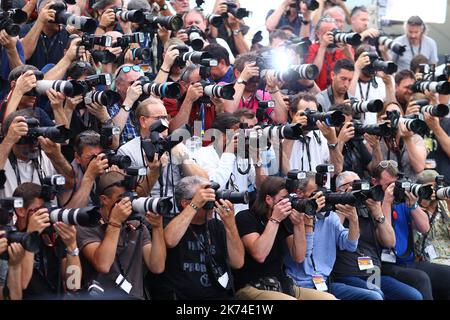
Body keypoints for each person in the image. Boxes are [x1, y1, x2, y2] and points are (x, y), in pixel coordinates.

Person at [233, 176, 336, 300]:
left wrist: (298, 225)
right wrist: (275, 219)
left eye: (290, 199)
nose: (288, 203)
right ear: (269, 199)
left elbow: (299, 257)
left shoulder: (285, 219)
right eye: (283, 200)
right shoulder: (245, 217)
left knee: (329, 298)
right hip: (250, 286)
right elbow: (259, 254)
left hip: (280, 284)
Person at [149, 176, 244, 299]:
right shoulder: (169, 223)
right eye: (204, 198)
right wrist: (195, 204)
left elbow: (238, 262)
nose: (210, 202)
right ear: (185, 203)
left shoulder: (218, 226)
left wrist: (230, 225)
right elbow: (170, 241)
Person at [331, 171, 423, 300]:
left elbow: (390, 242)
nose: (358, 188)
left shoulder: (368, 209)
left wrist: (378, 212)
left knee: (414, 296)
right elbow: (331, 239)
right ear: (338, 190)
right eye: (353, 185)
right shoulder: (334, 211)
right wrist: (344, 204)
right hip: (347, 274)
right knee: (376, 295)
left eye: (360, 184)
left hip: (373, 274)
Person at [76, 171, 166, 300]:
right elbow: (103, 265)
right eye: (121, 198)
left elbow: (157, 267)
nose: (127, 203)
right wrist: (115, 223)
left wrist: (158, 227)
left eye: (129, 198)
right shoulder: (88, 226)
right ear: (104, 199)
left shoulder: (137, 227)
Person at [373, 160, 450, 300]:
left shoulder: (402, 201)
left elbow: (425, 227)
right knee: (421, 278)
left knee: (447, 275)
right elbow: (388, 242)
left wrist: (413, 205)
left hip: (408, 263)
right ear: (375, 182)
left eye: (396, 184)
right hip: (385, 265)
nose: (394, 189)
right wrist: (387, 202)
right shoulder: (373, 203)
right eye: (389, 185)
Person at [284, 171, 362, 299]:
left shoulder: (329, 216)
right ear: (300, 193)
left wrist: (354, 220)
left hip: (325, 283)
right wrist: (309, 218)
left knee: (373, 295)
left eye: (323, 192)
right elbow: (303, 256)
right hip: (299, 285)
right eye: (316, 194)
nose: (322, 198)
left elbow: (350, 245)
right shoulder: (293, 217)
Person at [117, 98, 208, 199]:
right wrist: (154, 170)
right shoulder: (127, 151)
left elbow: (205, 182)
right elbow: (134, 195)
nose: (165, 123)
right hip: (146, 208)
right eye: (159, 118)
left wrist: (182, 157)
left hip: (177, 207)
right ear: (143, 121)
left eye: (166, 118)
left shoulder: (177, 145)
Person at [13, 182, 82, 299]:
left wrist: (72, 247)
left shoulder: (52, 235)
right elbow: (22, 284)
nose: (46, 215)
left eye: (47, 210)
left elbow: (73, 284)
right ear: (20, 211)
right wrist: (31, 235)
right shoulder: (11, 240)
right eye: (39, 211)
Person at [0, 109, 74, 198]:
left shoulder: (47, 155)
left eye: (36, 134)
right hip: (11, 211)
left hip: (45, 210)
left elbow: (71, 184)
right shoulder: (3, 158)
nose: (34, 141)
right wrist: (8, 140)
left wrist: (57, 157)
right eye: (26, 136)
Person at [192, 113, 257, 214]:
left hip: (240, 217)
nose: (239, 138)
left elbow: (258, 185)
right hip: (215, 219)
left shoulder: (243, 155)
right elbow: (216, 184)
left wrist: (258, 157)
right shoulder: (202, 154)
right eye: (234, 134)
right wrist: (228, 152)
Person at [282, 92, 343, 175]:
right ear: (292, 114)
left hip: (320, 187)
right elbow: (281, 168)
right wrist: (293, 129)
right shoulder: (282, 134)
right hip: (295, 187)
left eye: (314, 113)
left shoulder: (323, 135)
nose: (311, 118)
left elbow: (337, 170)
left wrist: (332, 141)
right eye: (307, 113)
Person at [329, 104, 382, 177]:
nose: (348, 128)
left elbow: (374, 169)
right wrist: (340, 141)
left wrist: (376, 148)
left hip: (359, 185)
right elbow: (333, 171)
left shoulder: (355, 140)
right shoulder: (327, 142)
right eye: (343, 125)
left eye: (350, 123)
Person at [379, 101, 426, 179]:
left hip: (409, 187)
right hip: (386, 187)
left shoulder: (415, 138)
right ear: (382, 118)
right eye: (390, 114)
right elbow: (373, 169)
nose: (395, 118)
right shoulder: (378, 140)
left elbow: (419, 167)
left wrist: (408, 139)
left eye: (398, 114)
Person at [305, 17, 354, 91]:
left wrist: (348, 52)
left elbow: (355, 73)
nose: (331, 36)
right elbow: (312, 75)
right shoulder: (313, 48)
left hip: (341, 92)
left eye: (333, 32)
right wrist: (322, 47)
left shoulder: (343, 48)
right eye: (327, 33)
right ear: (318, 33)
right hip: (318, 93)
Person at [20, 0, 71, 70]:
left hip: (58, 80)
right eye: (52, 9)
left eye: (60, 10)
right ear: (40, 12)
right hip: (32, 78)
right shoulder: (26, 29)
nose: (56, 14)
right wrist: (40, 21)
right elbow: (23, 55)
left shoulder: (67, 33)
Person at [413, 170, 450, 266]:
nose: (434, 191)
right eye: (430, 188)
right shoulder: (413, 207)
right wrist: (424, 206)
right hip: (428, 261)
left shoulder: (444, 205)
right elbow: (414, 238)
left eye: (436, 187)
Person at [107, 63, 145, 144]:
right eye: (133, 83)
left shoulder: (144, 101)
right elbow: (114, 132)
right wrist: (129, 100)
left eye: (140, 81)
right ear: (118, 84)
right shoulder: (111, 103)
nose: (139, 86)